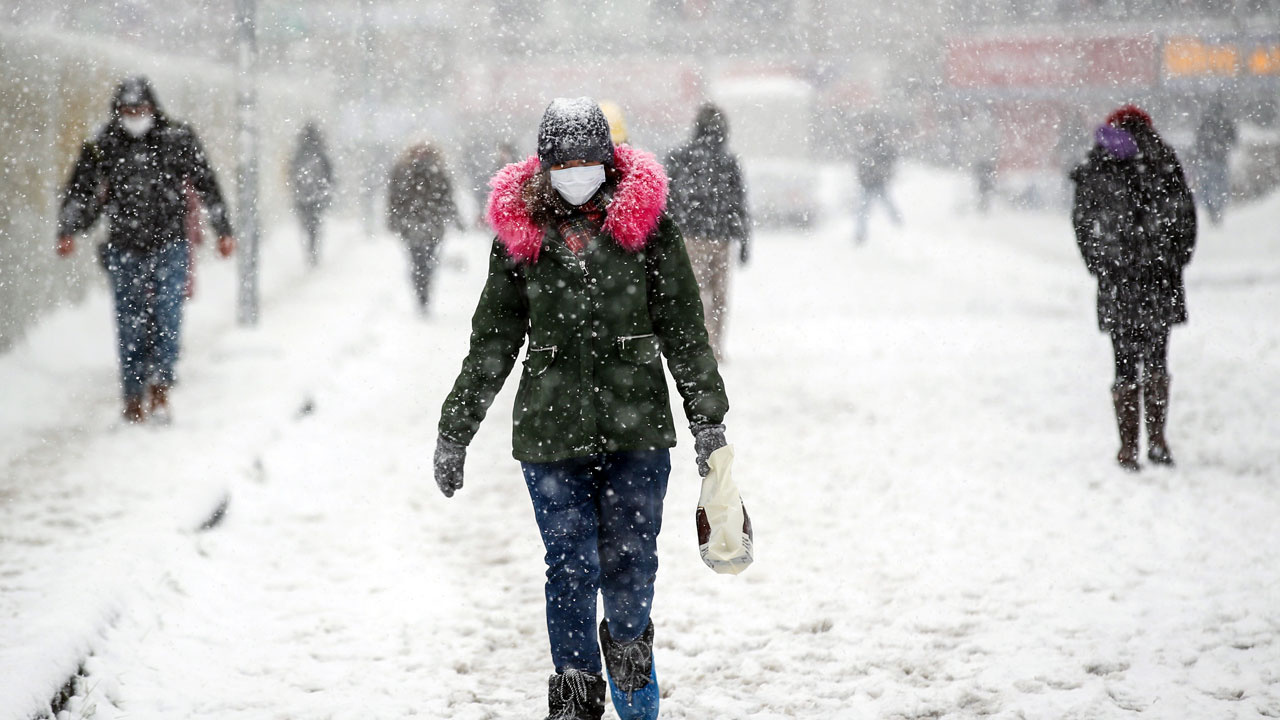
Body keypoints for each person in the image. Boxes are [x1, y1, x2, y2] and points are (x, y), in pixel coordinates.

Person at [433, 98, 730, 720]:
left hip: (637, 429)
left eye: (588, 160)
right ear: (545, 166)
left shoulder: (648, 228)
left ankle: (627, 646)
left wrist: (708, 419)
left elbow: (684, 330)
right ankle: (573, 695)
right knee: (569, 567)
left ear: (608, 161)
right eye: (563, 162)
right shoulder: (521, 240)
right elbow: (492, 340)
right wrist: (454, 429)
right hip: (550, 434)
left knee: (631, 560)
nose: (576, 171)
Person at [56, 76, 235, 424]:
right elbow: (80, 189)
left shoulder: (176, 138)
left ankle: (161, 388)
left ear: (153, 108)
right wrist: (68, 228)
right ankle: (133, 393)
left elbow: (207, 183)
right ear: (117, 112)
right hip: (124, 246)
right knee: (130, 322)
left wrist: (223, 229)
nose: (134, 116)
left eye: (140, 109)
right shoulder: (103, 143)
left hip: (170, 243)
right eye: (128, 111)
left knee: (167, 317)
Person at [1070, 105, 1196, 471]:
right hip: (1160, 277)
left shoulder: (1100, 162)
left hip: (1118, 279)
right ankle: (1157, 439)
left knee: (1123, 363)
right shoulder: (1162, 158)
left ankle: (1128, 447)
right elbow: (1184, 215)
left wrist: (1099, 262)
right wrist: (1174, 258)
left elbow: (1083, 220)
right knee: (1157, 358)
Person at [664, 102, 751, 363]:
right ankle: (715, 346)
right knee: (719, 296)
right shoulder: (728, 161)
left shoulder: (679, 157)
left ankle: (698, 345)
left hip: (688, 237)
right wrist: (744, 240)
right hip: (721, 239)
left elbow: (667, 201)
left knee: (694, 294)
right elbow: (739, 203)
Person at [386, 142, 460, 314]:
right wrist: (393, 219)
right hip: (418, 224)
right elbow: (394, 197)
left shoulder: (434, 171)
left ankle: (423, 291)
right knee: (420, 261)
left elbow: (447, 197)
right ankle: (422, 292)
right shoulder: (405, 171)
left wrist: (455, 218)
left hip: (426, 224)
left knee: (424, 262)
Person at [289, 121, 334, 267]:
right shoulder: (320, 151)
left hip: (302, 196)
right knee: (315, 224)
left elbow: (292, 172)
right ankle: (313, 249)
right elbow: (329, 173)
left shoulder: (299, 151)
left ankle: (310, 250)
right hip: (317, 196)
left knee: (307, 224)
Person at [854, 126, 902, 243]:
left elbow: (861, 164)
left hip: (873, 182)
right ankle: (898, 226)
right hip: (873, 182)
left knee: (865, 209)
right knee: (881, 206)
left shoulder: (870, 148)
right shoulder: (878, 148)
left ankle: (861, 234)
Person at [1193, 98, 1237, 226]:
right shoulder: (1225, 121)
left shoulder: (1205, 122)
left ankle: (1211, 210)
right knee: (1221, 186)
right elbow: (1233, 139)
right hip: (1221, 159)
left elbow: (1198, 140)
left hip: (1206, 160)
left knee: (1207, 186)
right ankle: (1218, 211)